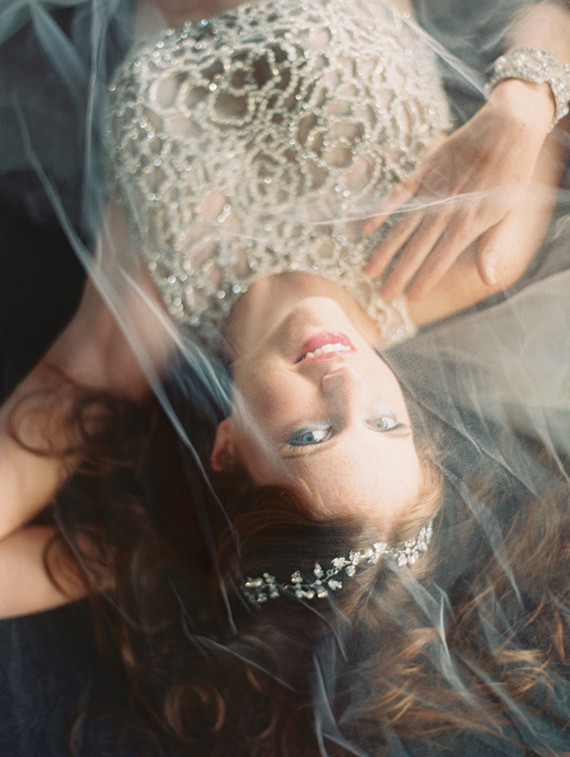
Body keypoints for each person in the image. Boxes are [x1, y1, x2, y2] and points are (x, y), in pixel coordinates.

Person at [0, 0, 569, 753]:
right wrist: (522, 110)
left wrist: (147, 557)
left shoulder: (137, 324)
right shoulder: (470, 261)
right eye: (386, 422)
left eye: (311, 435)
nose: (345, 382)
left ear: (226, 448)